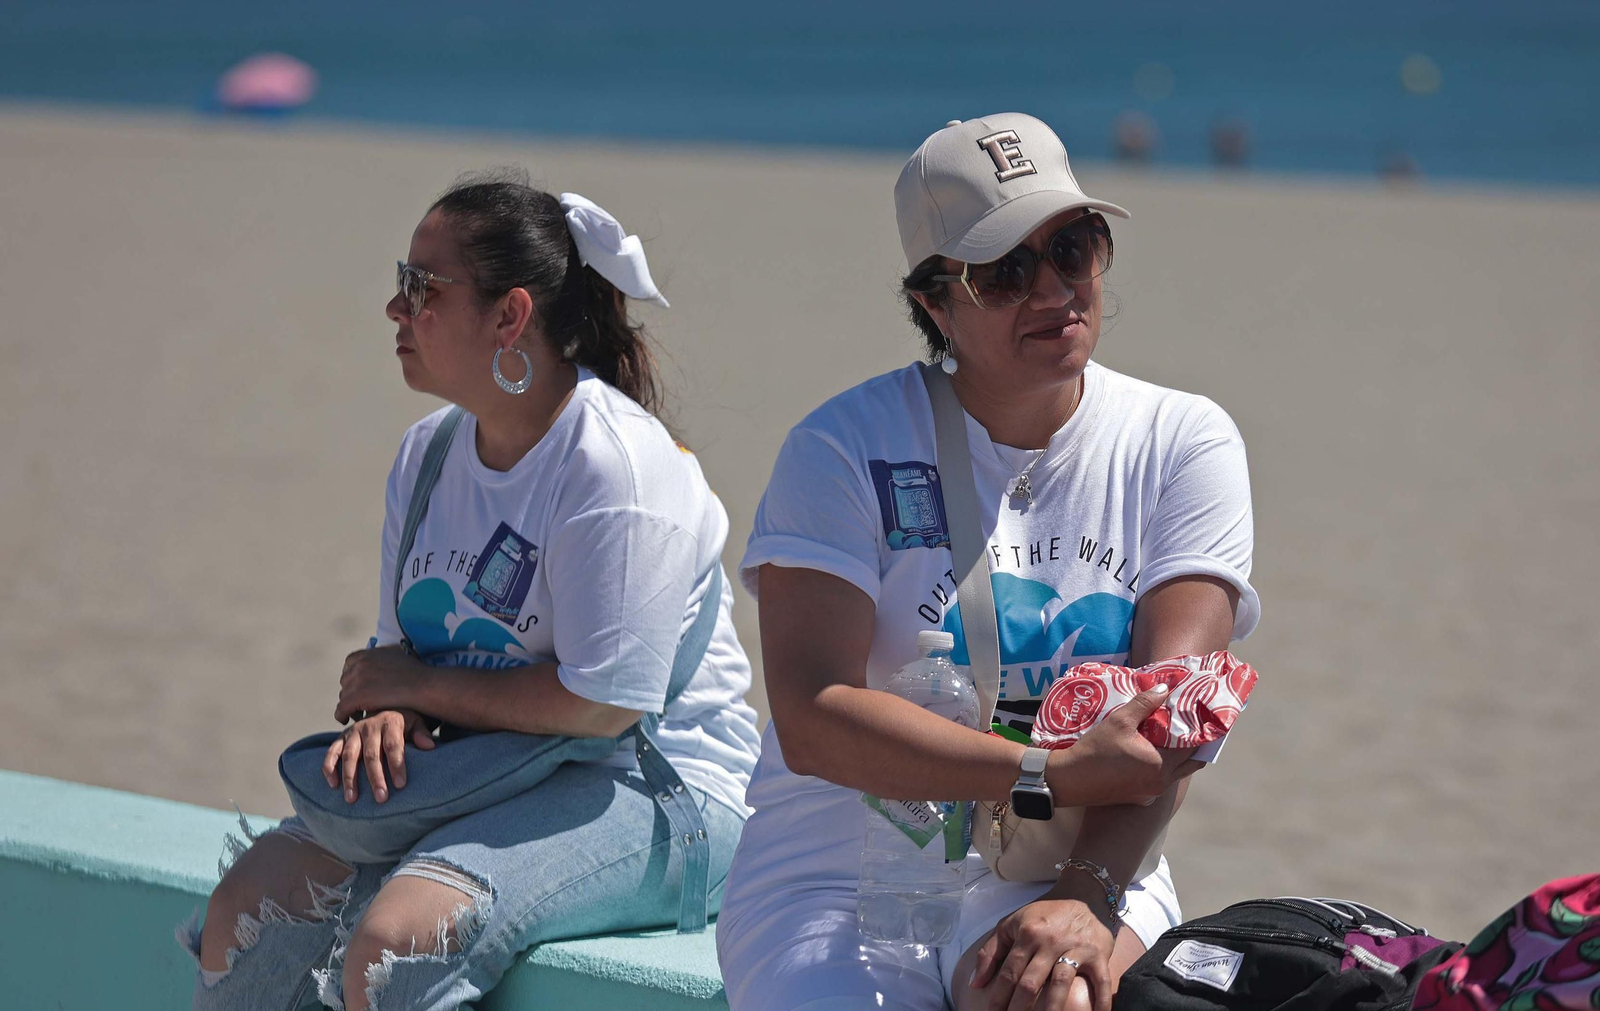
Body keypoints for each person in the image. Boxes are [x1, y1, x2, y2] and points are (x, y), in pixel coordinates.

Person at [716, 114, 1260, 1011]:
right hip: (841, 870)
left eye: (1075, 248)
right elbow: (813, 718)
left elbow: (1177, 716)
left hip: (1080, 847)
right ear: (935, 302)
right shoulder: (842, 447)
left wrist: (1086, 893)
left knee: (1061, 993)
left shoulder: (1181, 440)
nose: (1054, 289)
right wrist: (1043, 769)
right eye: (1005, 270)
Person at [181, 170, 761, 1011]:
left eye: (421, 288)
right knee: (247, 901)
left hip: (657, 785)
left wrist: (415, 687)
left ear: (510, 315)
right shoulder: (428, 454)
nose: (395, 308)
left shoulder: (615, 467)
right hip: (491, 767)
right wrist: (388, 713)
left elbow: (605, 705)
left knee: (397, 938)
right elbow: (398, 659)